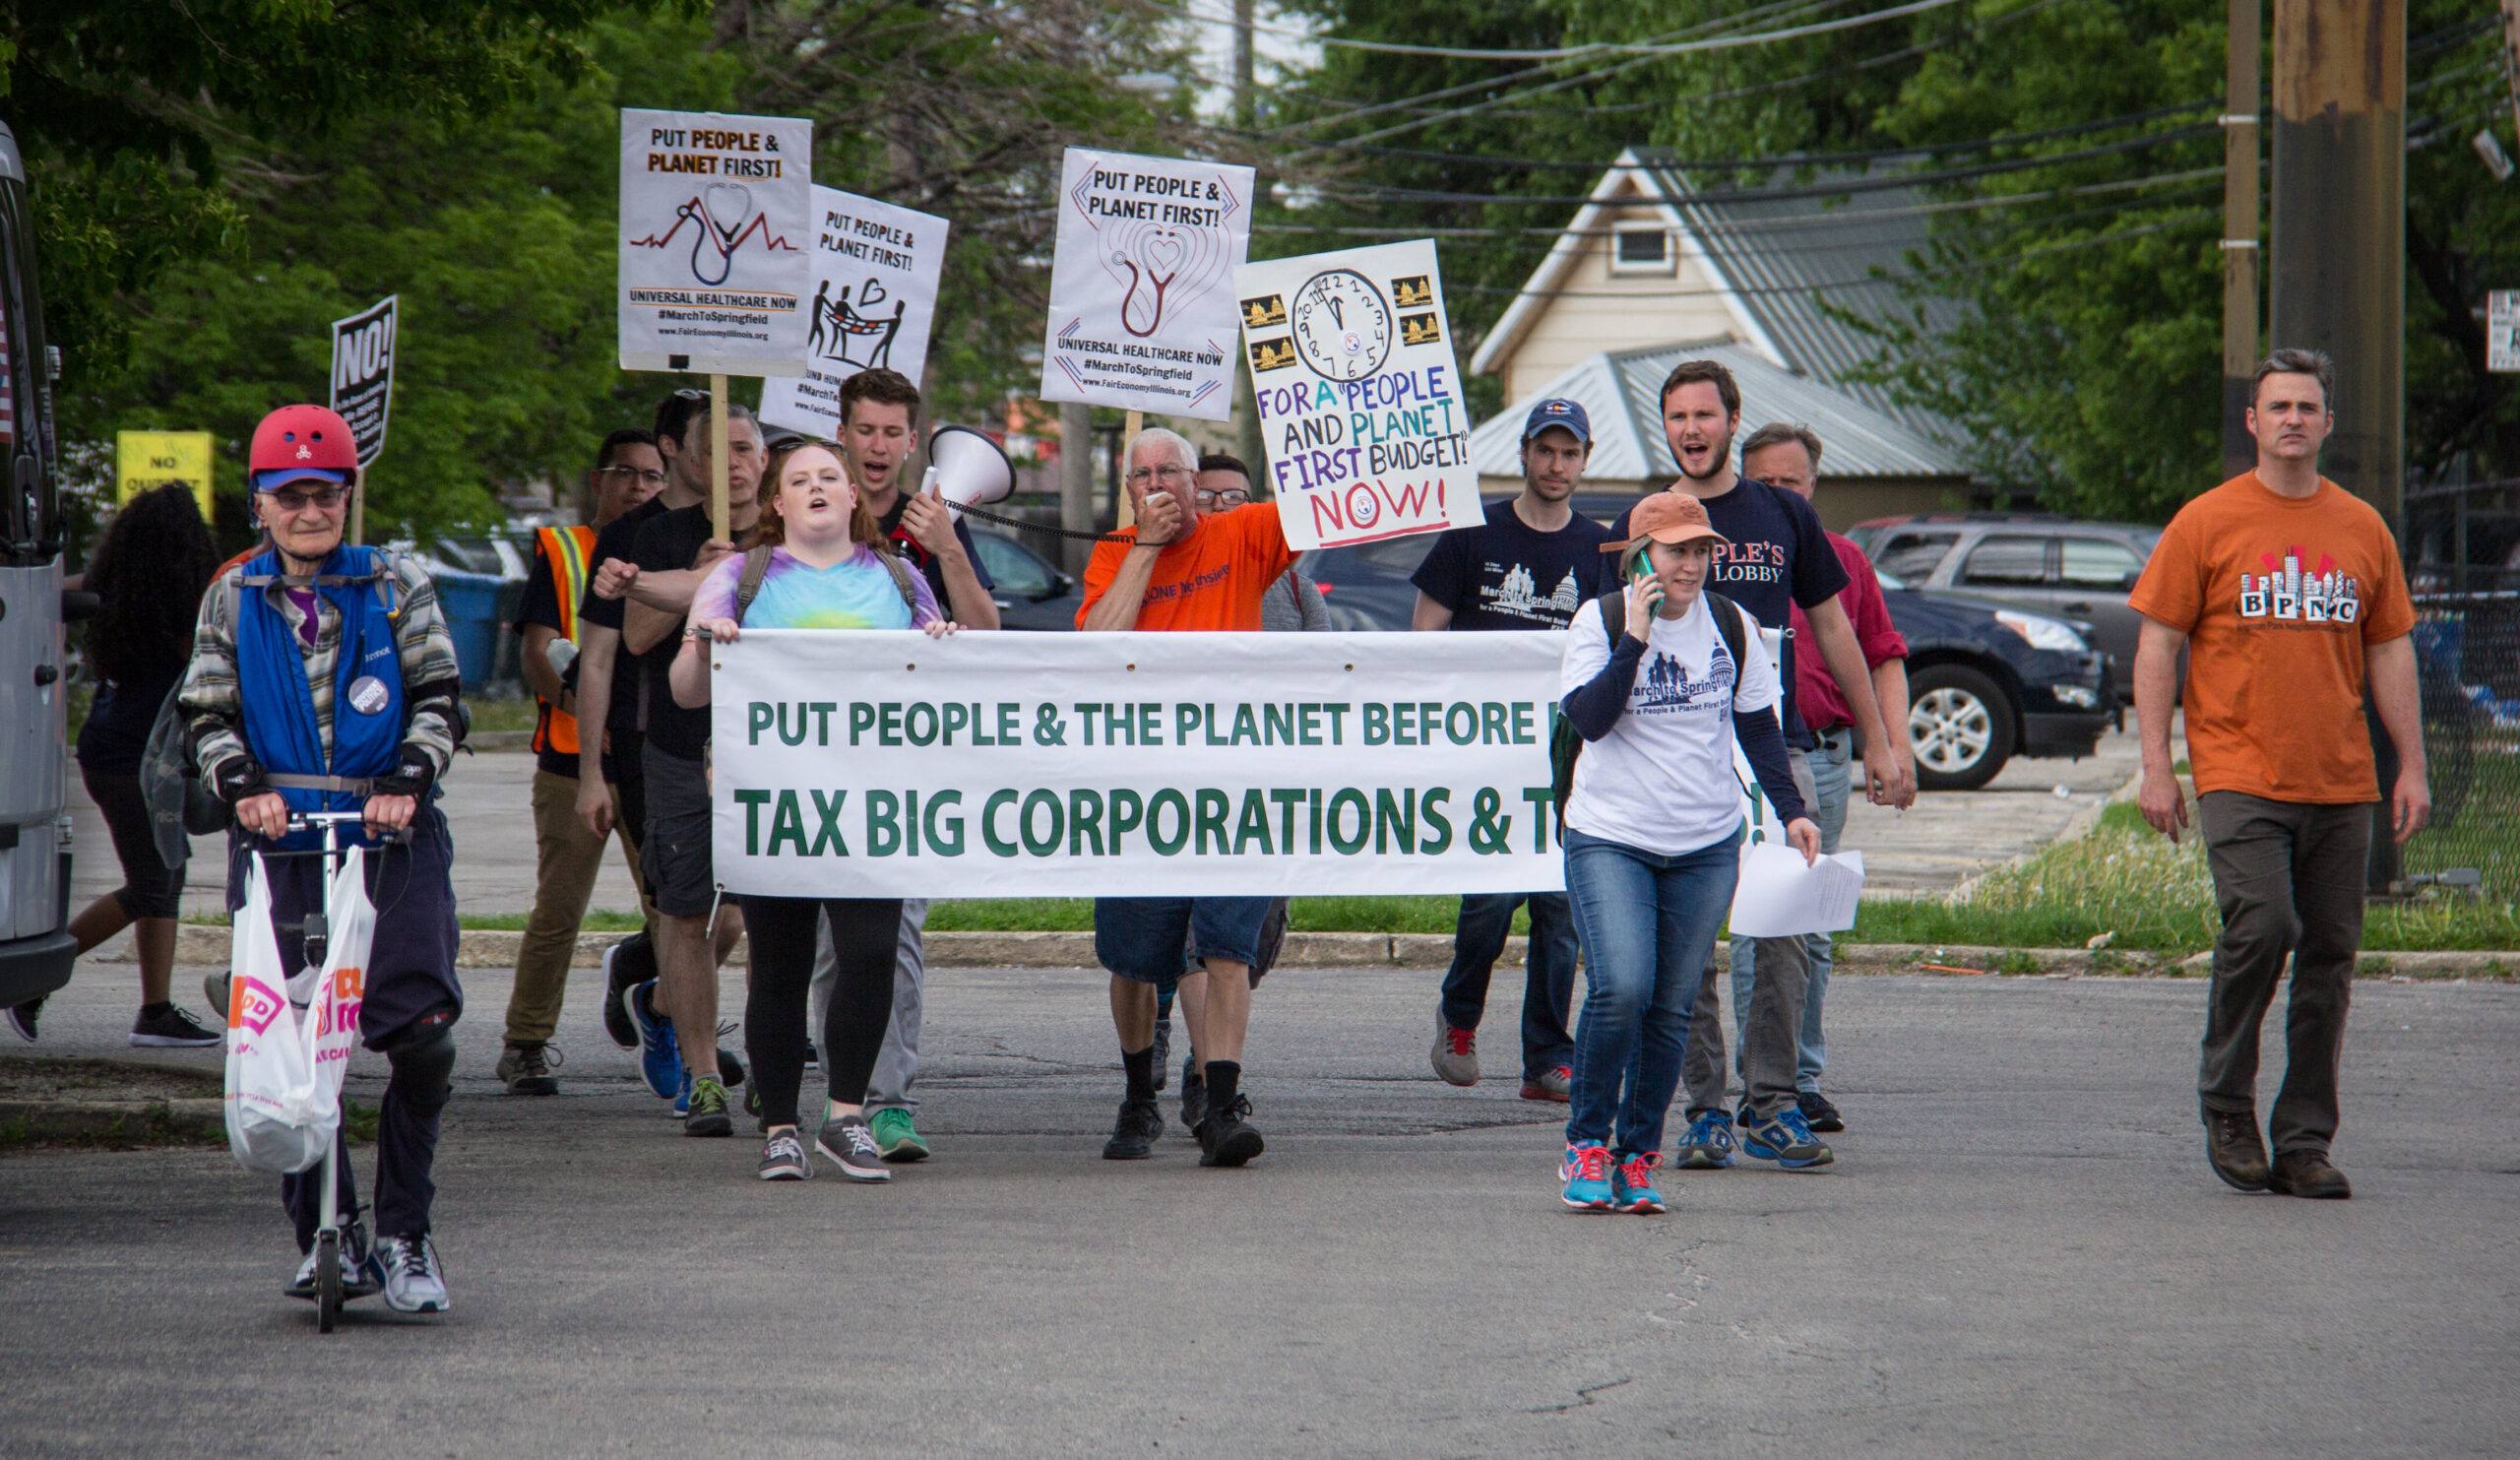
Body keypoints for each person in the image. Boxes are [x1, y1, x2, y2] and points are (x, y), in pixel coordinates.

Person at [181, 404, 465, 1312]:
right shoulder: (234, 594)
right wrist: (241, 786)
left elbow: (440, 696)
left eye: (326, 494)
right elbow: (207, 712)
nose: (310, 510)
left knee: (421, 1040)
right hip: (279, 843)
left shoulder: (394, 584)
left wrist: (410, 777)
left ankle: (408, 1231)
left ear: (349, 496)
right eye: (291, 495)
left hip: (388, 836)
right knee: (287, 1048)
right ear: (260, 503)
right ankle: (322, 1235)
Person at [2128, 349, 2425, 1201]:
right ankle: (2226, 1102)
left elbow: (2390, 646)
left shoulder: (2363, 528)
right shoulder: (2207, 521)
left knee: (2329, 955)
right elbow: (2158, 644)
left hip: (2340, 777)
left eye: (2308, 406)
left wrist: (2411, 764)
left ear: (2329, 423)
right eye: (2278, 406)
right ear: (2253, 422)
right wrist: (2158, 765)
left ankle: (2302, 1139)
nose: (2293, 418)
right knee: (2265, 926)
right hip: (2238, 769)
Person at [1609, 359, 1915, 1174]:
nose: (1692, 430)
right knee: (1687, 941)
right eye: (1677, 417)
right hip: (1673, 760)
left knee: (1782, 924)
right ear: (1664, 427)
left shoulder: (1781, 513)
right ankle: (1704, 1109)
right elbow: (1606, 640)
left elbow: (1838, 629)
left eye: (1705, 415)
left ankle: (1772, 1103)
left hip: (1775, 752)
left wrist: (1881, 739)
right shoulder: (1647, 520)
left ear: (1733, 420)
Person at [670, 440, 954, 1181]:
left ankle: (847, 1117)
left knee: (868, 956)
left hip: (877, 800)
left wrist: (942, 649)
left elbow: (942, 679)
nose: (818, 486)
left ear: (854, 497)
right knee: (782, 964)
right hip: (779, 800)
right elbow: (684, 691)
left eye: (831, 475)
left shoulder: (898, 578)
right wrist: (707, 646)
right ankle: (781, 1127)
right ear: (778, 503)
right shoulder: (740, 576)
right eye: (800, 479)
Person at [1556, 491, 1818, 1214]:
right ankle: (1587, 1143)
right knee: (1624, 987)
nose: (1693, 564)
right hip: (1611, 836)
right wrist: (1635, 637)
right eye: (1676, 550)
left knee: (1671, 1006)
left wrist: (1791, 811)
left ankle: (1638, 1157)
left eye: (1701, 550)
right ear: (1640, 556)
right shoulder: (1600, 621)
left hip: (1705, 844)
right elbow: (1590, 720)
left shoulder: (1731, 623)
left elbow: (1759, 726)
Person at [1077, 425, 1297, 1167]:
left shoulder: (1245, 534)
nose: (1155, 483)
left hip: (1235, 777)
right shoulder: (1114, 551)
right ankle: (1141, 1096)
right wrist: (1144, 547)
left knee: (1226, 947)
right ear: (1129, 490)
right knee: (1136, 958)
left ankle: (1221, 1099)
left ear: (1198, 482)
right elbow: (1100, 644)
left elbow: (1333, 504)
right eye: (1140, 475)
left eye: (1169, 470)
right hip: (1141, 783)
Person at [801, 368, 998, 1163]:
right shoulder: (812, 509)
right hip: (815, 755)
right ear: (841, 433)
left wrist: (948, 544)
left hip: (907, 763)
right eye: (866, 430)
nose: (878, 447)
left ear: (912, 443)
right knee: (826, 944)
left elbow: (985, 631)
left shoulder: (934, 524)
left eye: (893, 433)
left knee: (898, 936)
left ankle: (888, 1102)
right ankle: (838, 1086)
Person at [1410, 398, 1611, 1105]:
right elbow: (1424, 635)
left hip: (1568, 757)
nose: (1556, 466)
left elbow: (1615, 649)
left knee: (1560, 911)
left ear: (1585, 460)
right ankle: (1459, 1018)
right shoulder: (1472, 532)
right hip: (1485, 753)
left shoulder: (1599, 549)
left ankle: (1547, 1057)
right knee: (1490, 901)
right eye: (1545, 451)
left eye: (1570, 453)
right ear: (1524, 453)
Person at [1724, 422, 1910, 1133]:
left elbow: (1882, 654)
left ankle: (1801, 1076)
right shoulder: (1725, 553)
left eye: (1790, 482)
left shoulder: (1845, 561)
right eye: (1763, 482)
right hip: (1747, 761)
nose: (1777, 493)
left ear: (1813, 487)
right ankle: (1759, 1083)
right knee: (1760, 921)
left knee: (1813, 924)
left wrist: (1889, 747)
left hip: (1824, 758)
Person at [594, 398, 766, 1136]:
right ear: (689, 461)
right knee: (685, 909)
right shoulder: (659, 533)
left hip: (773, 746)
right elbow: (633, 637)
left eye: (745, 448)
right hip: (678, 746)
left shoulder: (793, 530)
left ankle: (771, 1063)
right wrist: (698, 579)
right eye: (715, 449)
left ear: (765, 460)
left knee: (763, 912)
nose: (731, 462)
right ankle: (702, 1078)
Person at [1135, 450, 1320, 1118]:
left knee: (1244, 945)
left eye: (1236, 498)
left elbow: (1323, 676)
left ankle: (1202, 1056)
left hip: (1261, 780)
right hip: (1177, 780)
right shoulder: (1155, 558)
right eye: (1207, 497)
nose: (1221, 510)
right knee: (1197, 943)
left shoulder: (1290, 586)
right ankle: (1206, 1075)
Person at [9, 485, 223, 1047]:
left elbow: (46, 591)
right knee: (153, 885)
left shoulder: (111, 588)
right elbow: (207, 663)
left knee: (164, 875)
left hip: (109, 747)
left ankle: (156, 1012)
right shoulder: (186, 605)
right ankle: (30, 984)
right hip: (140, 760)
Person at [493, 428, 664, 1095]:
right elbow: (538, 652)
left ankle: (665, 1013)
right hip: (573, 761)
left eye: (652, 475)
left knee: (676, 911)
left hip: (650, 764)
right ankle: (526, 1041)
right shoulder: (564, 551)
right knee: (558, 910)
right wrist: (586, 713)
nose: (639, 487)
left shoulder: (668, 549)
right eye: (626, 472)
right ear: (599, 479)